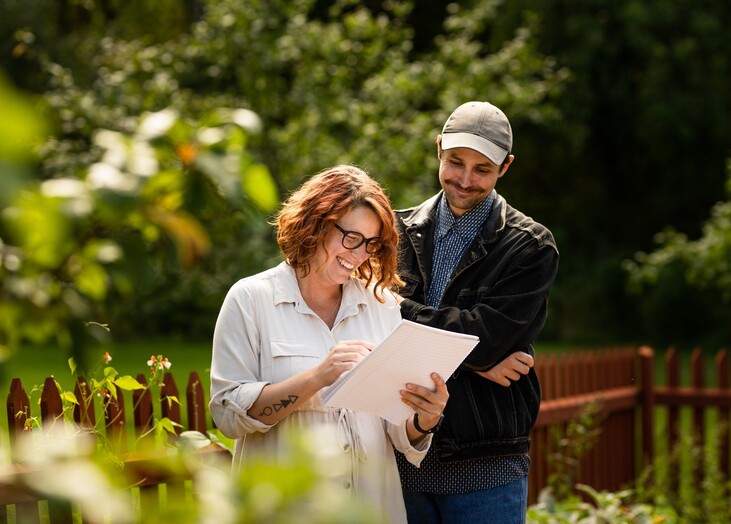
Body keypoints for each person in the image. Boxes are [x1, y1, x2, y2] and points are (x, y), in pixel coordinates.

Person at [209, 165, 450, 523]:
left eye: (370, 244)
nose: (358, 255)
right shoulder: (250, 299)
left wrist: (425, 417)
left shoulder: (382, 306)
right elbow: (229, 417)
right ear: (314, 223)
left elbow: (398, 434)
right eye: (350, 237)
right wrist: (317, 377)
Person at [394, 101, 559, 523]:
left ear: (505, 167)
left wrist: (391, 307)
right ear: (438, 150)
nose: (465, 180)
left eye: (482, 169)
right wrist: (474, 361)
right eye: (455, 163)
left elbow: (485, 341)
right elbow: (357, 325)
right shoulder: (392, 232)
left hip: (485, 463)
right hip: (400, 452)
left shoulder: (530, 246)